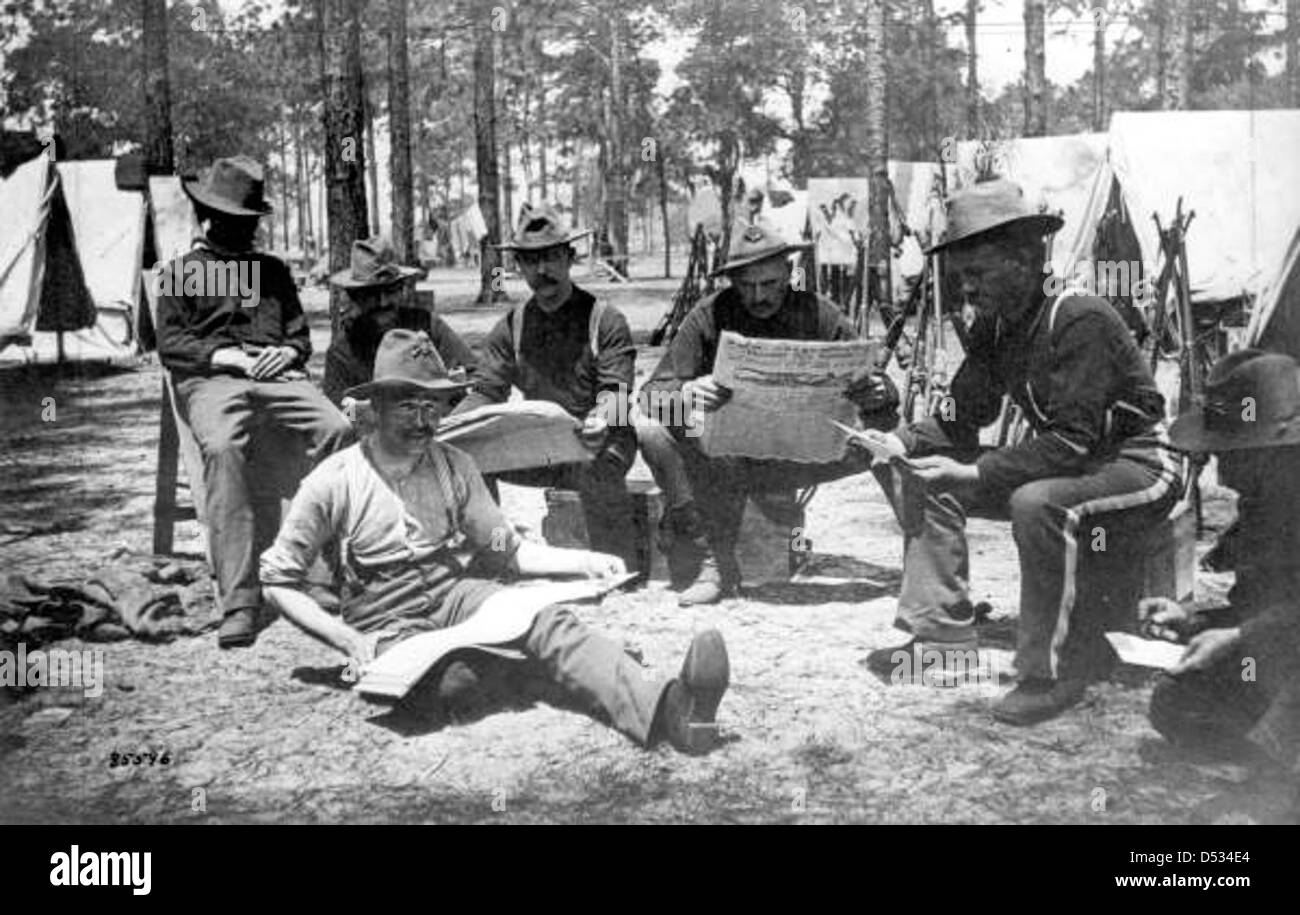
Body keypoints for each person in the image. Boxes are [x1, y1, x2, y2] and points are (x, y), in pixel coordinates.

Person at [260, 329, 731, 754]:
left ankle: (672, 709)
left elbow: (509, 550)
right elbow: (276, 581)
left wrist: (584, 561)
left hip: (452, 590)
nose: (423, 421)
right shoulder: (335, 479)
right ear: (376, 408)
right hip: (384, 612)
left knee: (548, 622)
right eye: (407, 405)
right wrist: (345, 638)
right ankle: (572, 665)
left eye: (432, 406)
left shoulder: (453, 465)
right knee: (453, 685)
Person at [858, 178, 1184, 724]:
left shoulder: (1078, 318)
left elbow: (1075, 441)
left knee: (1038, 502)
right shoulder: (996, 326)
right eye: (962, 277)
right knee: (919, 474)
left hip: (1139, 462)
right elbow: (964, 415)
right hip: (1075, 463)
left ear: (1026, 259)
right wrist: (898, 440)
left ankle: (1048, 672)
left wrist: (976, 471)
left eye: (979, 274)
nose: (968, 289)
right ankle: (942, 638)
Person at [637, 223, 898, 605]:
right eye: (747, 286)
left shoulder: (819, 313)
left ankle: (927, 575)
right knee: (651, 431)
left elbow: (877, 386)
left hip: (807, 451)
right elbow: (650, 396)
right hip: (728, 456)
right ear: (732, 282)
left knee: (895, 441)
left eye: (770, 284)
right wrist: (689, 392)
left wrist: (880, 392)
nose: (759, 296)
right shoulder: (708, 314)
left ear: (790, 273)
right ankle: (715, 561)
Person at [154, 155, 352, 649]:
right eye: (229, 221)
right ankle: (241, 598)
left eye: (247, 223)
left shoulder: (272, 271)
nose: (240, 231)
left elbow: (299, 337)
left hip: (278, 377)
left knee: (336, 428)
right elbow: (171, 345)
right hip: (214, 380)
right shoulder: (183, 273)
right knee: (222, 447)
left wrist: (286, 351)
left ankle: (317, 575)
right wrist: (230, 358)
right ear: (209, 216)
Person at [1143, 349, 1300, 809]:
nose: (1225, 472)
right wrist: (1192, 619)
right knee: (1176, 702)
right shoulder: (1265, 504)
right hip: (1282, 654)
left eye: (1238, 455)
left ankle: (1272, 778)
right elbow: (1261, 601)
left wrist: (1239, 636)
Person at [452, 204, 640, 568]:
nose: (542, 271)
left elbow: (617, 391)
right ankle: (493, 552)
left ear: (570, 258)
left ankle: (617, 564)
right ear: (518, 266)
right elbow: (487, 390)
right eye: (530, 261)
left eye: (552, 258)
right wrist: (451, 429)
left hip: (603, 439)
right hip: (541, 445)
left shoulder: (604, 319)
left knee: (598, 468)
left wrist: (602, 419)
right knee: (468, 455)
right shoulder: (513, 325)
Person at [323, 237, 476, 407]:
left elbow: (474, 375)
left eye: (390, 291)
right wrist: (359, 415)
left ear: (402, 289)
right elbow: (340, 413)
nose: (383, 302)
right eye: (371, 294)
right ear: (355, 297)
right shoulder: (343, 352)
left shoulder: (426, 325)